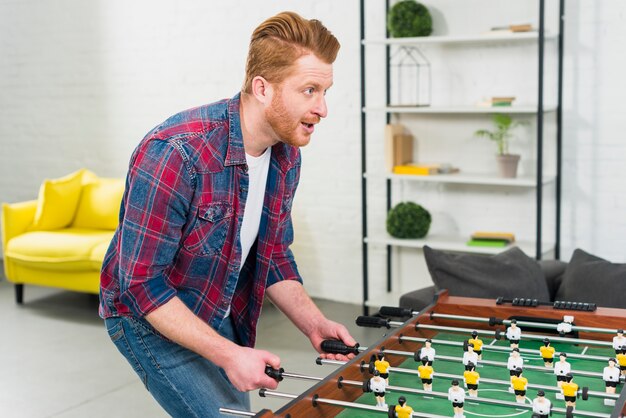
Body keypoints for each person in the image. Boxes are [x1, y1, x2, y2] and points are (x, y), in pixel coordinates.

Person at [98, 11, 356, 417]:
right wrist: (229, 354)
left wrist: (314, 323)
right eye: (309, 90)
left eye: (325, 91)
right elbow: (141, 285)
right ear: (263, 88)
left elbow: (272, 254)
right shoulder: (175, 153)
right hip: (148, 317)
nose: (323, 108)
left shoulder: (286, 155)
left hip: (215, 304)